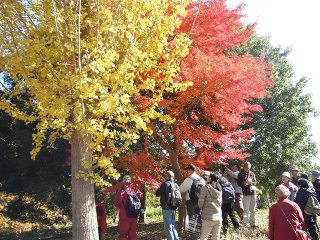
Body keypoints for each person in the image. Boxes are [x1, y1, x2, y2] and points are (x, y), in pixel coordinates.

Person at [179, 164, 206, 240]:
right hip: (200, 201)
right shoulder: (201, 179)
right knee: (198, 218)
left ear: (190, 170)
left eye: (187, 170)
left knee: (192, 219)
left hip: (191, 201)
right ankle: (198, 236)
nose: (187, 171)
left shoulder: (189, 179)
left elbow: (181, 189)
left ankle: (193, 237)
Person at [114, 175, 143, 240]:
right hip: (134, 214)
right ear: (130, 181)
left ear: (123, 181)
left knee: (123, 234)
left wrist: (121, 207)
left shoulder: (122, 190)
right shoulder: (135, 189)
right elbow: (141, 196)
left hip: (124, 215)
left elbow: (117, 202)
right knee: (133, 234)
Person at [155, 171, 180, 240]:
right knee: (173, 226)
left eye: (164, 176)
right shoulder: (175, 184)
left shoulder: (165, 184)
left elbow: (157, 193)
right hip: (174, 207)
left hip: (166, 208)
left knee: (168, 227)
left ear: (167, 176)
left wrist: (156, 189)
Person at [198, 173, 222, 240]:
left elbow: (200, 203)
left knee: (204, 237)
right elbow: (221, 203)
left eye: (208, 177)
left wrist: (200, 206)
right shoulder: (219, 189)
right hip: (218, 216)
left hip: (208, 217)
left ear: (210, 179)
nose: (207, 178)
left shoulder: (205, 188)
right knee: (216, 237)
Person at [237, 162, 257, 228]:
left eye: (249, 168)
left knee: (253, 209)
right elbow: (238, 183)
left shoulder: (252, 173)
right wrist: (244, 183)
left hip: (253, 193)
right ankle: (245, 223)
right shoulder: (240, 174)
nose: (248, 169)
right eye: (247, 168)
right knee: (246, 209)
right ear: (244, 167)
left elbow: (255, 182)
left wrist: (252, 182)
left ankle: (253, 224)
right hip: (246, 193)